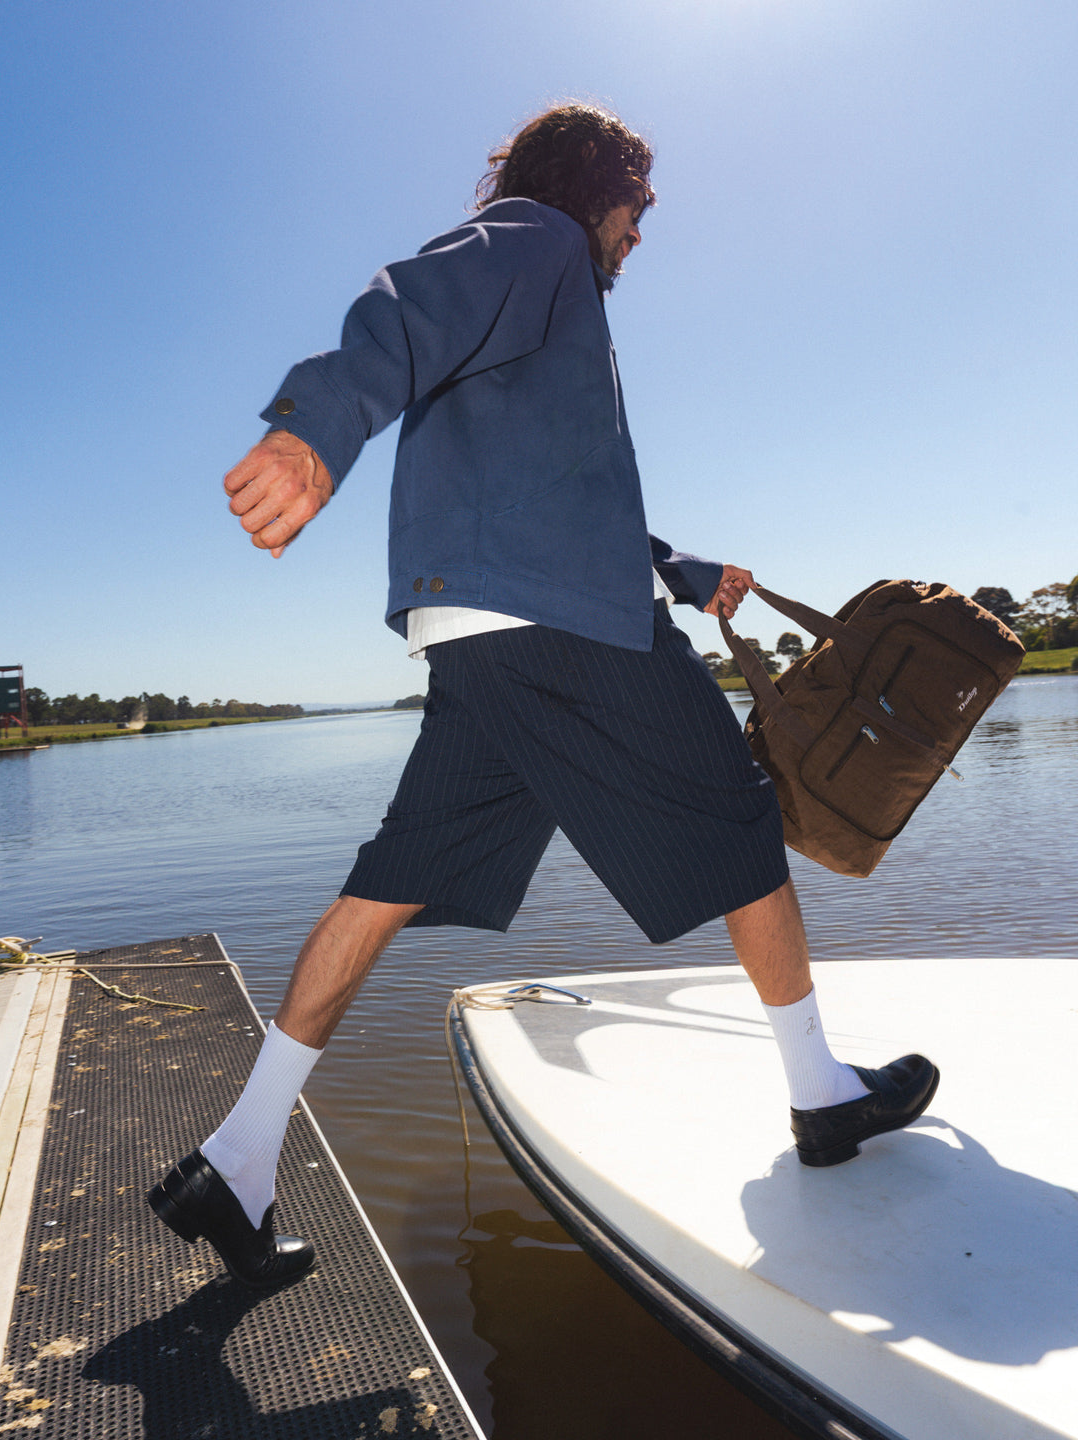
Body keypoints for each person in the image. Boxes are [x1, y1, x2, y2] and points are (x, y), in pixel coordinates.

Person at [148, 104, 938, 1288]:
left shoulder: (547, 309)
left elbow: (559, 492)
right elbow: (405, 305)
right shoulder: (537, 241)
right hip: (559, 627)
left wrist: (678, 570)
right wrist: (317, 426)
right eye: (640, 205)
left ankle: (237, 1158)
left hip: (482, 637)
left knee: (389, 883)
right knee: (733, 808)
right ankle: (821, 1096)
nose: (642, 230)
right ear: (596, 186)